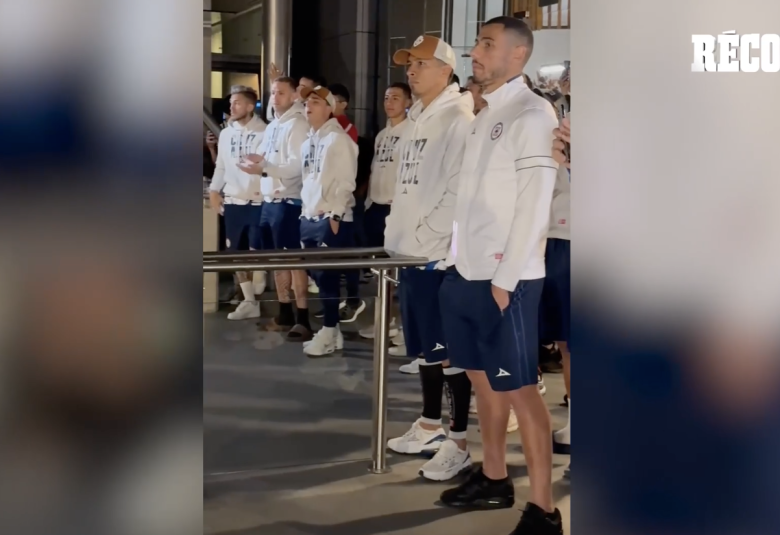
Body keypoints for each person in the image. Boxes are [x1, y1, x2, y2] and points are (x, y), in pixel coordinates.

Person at [437, 17, 563, 535]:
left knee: (521, 390)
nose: (475, 52)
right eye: (477, 43)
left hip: (505, 279)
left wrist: (506, 279)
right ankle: (493, 477)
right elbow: (473, 203)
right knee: (480, 378)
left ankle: (545, 510)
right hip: (465, 270)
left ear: (519, 55)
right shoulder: (484, 115)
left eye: (487, 44)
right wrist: (452, 257)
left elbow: (535, 204)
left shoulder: (533, 114)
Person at [383, 35, 476, 482]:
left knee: (447, 352)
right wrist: (396, 236)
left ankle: (458, 441)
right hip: (409, 252)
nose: (412, 71)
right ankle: (429, 423)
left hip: (436, 256)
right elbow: (408, 190)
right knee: (422, 348)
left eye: (422, 63)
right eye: (409, 64)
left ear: (446, 70)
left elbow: (459, 192)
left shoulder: (458, 117)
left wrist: (427, 237)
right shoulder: (418, 119)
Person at [238, 77, 313, 341]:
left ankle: (303, 317)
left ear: (295, 96)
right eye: (273, 93)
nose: (275, 97)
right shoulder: (274, 126)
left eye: (281, 93)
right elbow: (268, 158)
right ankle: (284, 311)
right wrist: (256, 162)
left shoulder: (298, 124)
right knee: (278, 260)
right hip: (270, 199)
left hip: (289, 200)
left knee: (295, 262)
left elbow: (295, 166)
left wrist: (265, 167)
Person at [297, 85, 359, 356]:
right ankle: (332, 333)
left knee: (328, 278)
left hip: (330, 218)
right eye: (307, 102)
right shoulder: (308, 142)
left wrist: (335, 214)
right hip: (309, 215)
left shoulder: (339, 140)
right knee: (319, 278)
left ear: (330, 108)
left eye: (315, 101)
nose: (308, 106)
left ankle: (330, 329)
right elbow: (306, 178)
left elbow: (347, 181)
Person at [208, 85, 268, 321]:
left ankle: (258, 287)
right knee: (235, 254)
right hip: (233, 200)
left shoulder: (265, 132)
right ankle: (248, 301)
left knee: (256, 253)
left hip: (257, 200)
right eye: (231, 102)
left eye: (238, 103)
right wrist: (214, 190)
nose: (232, 107)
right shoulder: (226, 133)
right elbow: (221, 165)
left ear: (250, 106)